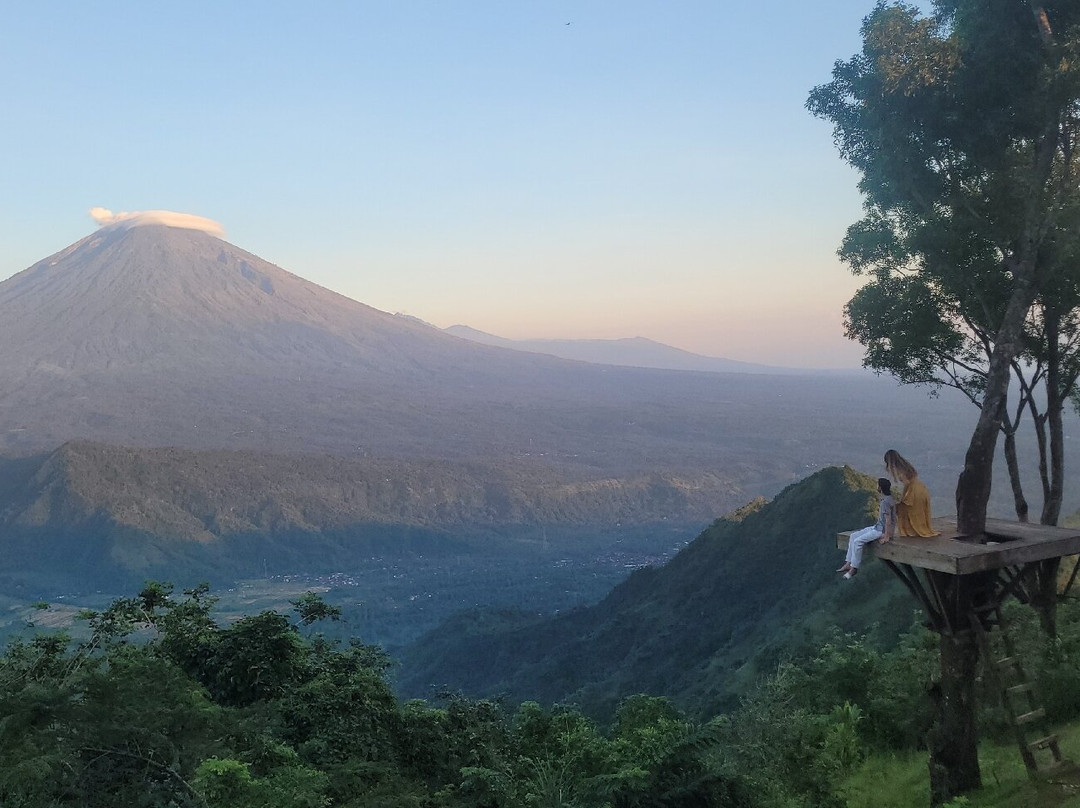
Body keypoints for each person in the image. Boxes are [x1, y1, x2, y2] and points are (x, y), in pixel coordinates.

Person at [838, 477, 896, 578]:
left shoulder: (885, 502)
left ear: (880, 488)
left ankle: (854, 568)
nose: (876, 487)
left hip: (880, 531)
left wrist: (887, 536)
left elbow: (888, 520)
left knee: (857, 542)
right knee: (853, 536)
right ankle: (848, 563)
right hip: (877, 527)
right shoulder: (889, 499)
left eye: (878, 485)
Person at [884, 449, 940, 537]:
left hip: (914, 491)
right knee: (917, 512)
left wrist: (903, 496)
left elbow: (906, 483)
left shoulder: (900, 471)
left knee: (905, 510)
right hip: (921, 489)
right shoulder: (905, 466)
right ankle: (916, 529)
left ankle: (911, 530)